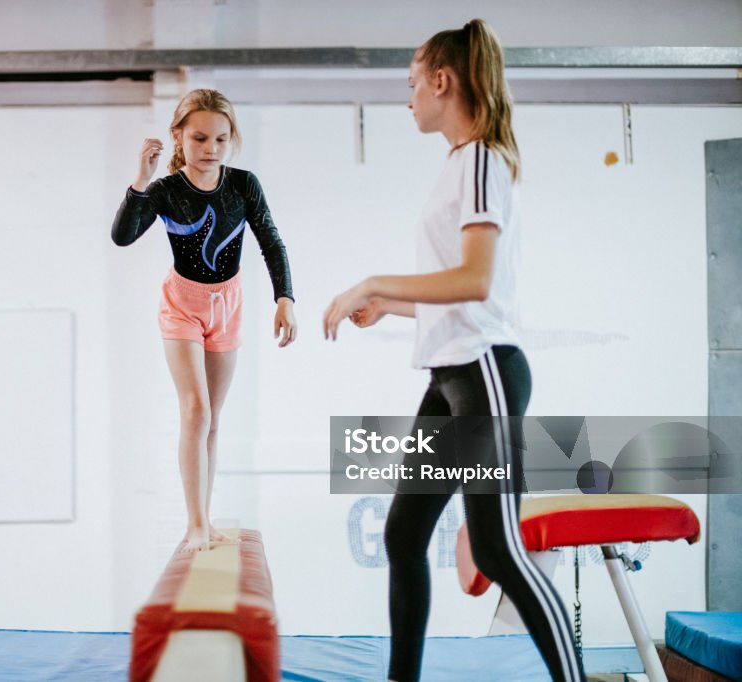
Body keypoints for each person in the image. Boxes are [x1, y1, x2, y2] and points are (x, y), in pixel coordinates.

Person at [322, 19, 585, 682]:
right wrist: (394, 305)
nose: (407, 97)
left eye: (413, 83)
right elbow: (461, 293)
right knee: (404, 537)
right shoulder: (457, 165)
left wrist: (375, 280)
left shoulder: (477, 161)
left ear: (443, 81)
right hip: (451, 376)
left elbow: (475, 279)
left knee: (499, 551)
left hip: (486, 371)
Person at [112, 88, 297, 552]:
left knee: (213, 420)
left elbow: (271, 241)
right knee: (195, 410)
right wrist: (139, 181)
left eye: (220, 139)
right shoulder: (167, 191)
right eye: (198, 139)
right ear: (178, 136)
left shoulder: (243, 184)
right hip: (182, 304)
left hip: (227, 305)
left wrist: (285, 297)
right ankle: (194, 523)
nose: (210, 149)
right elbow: (122, 237)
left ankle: (206, 517)